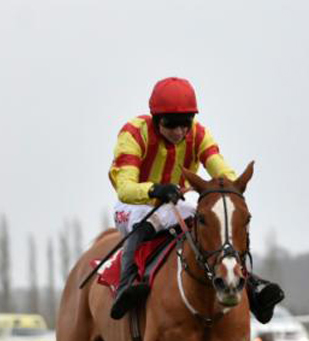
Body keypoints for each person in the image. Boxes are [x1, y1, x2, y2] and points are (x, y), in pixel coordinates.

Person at [107, 77, 284, 322]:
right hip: (135, 204)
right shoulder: (134, 133)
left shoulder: (199, 134)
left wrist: (231, 187)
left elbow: (221, 169)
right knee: (143, 226)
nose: (180, 132)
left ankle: (253, 287)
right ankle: (125, 287)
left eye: (186, 124)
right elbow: (125, 188)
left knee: (212, 224)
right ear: (156, 119)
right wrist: (156, 189)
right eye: (171, 124)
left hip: (175, 202)